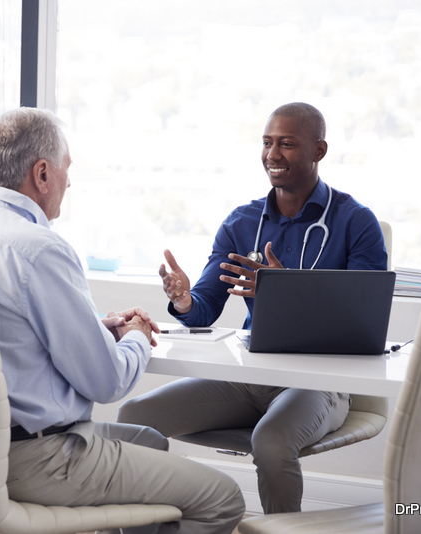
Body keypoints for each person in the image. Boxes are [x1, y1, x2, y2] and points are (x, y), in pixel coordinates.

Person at [0, 107, 245, 533]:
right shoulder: (39, 248)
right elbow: (107, 383)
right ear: (42, 173)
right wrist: (136, 334)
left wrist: (95, 329)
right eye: (66, 169)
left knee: (151, 441)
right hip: (43, 460)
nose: (69, 181)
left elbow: (4, 339)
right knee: (223, 497)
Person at [117, 102, 388, 515]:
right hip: (250, 377)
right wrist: (183, 298)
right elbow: (204, 308)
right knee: (134, 417)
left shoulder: (355, 222)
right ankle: (148, 524)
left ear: (319, 150)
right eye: (267, 143)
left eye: (287, 144)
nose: (272, 154)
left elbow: (363, 325)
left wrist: (285, 292)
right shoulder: (242, 222)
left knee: (272, 441)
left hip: (319, 384)